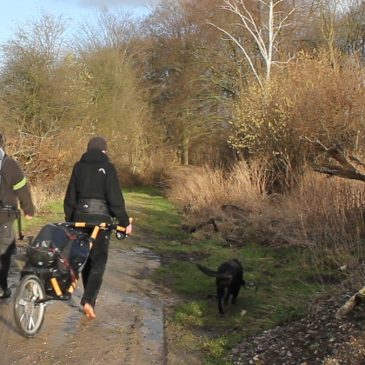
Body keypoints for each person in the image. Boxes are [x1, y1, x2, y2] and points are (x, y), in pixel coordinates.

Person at [64, 136, 132, 319]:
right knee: (98, 261)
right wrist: (124, 222)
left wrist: (69, 219)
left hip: (79, 218)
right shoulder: (108, 168)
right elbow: (115, 198)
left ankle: (88, 298)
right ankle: (88, 301)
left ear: (87, 150)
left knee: (84, 257)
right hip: (101, 220)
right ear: (104, 150)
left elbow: (70, 196)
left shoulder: (78, 167)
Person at [0, 133, 34, 299]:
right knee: (4, 253)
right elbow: (22, 189)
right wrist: (28, 210)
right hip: (4, 216)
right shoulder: (9, 164)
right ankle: (1, 288)